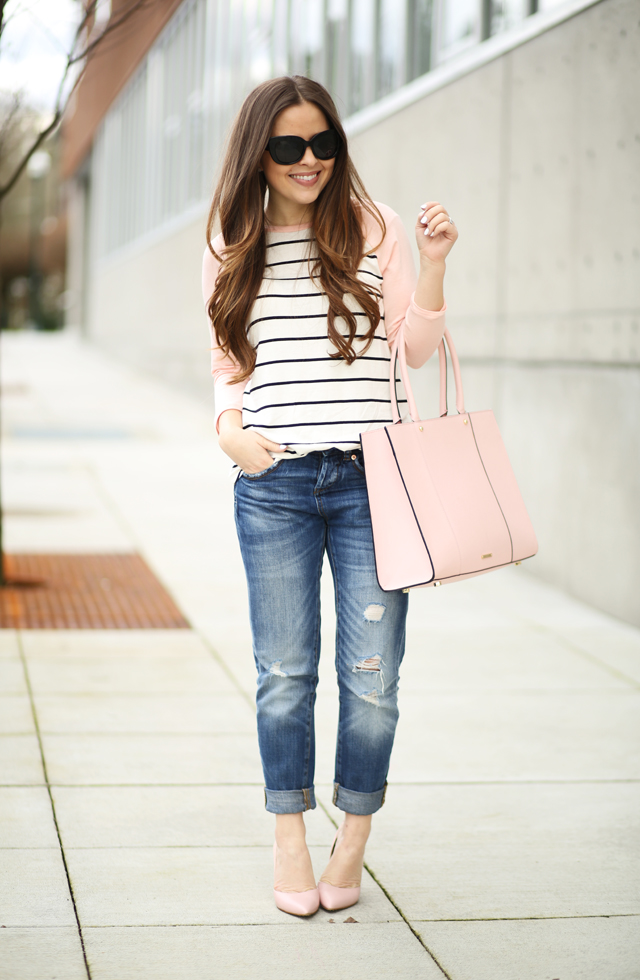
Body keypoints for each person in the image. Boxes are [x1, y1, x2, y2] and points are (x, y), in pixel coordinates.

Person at [202, 75, 458, 917]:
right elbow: (226, 359)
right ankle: (289, 840)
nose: (309, 160)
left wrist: (432, 268)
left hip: (372, 482)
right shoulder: (231, 236)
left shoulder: (371, 225)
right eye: (288, 147)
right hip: (273, 483)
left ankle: (352, 839)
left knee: (373, 677)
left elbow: (415, 352)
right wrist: (228, 428)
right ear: (258, 154)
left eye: (323, 144)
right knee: (283, 675)